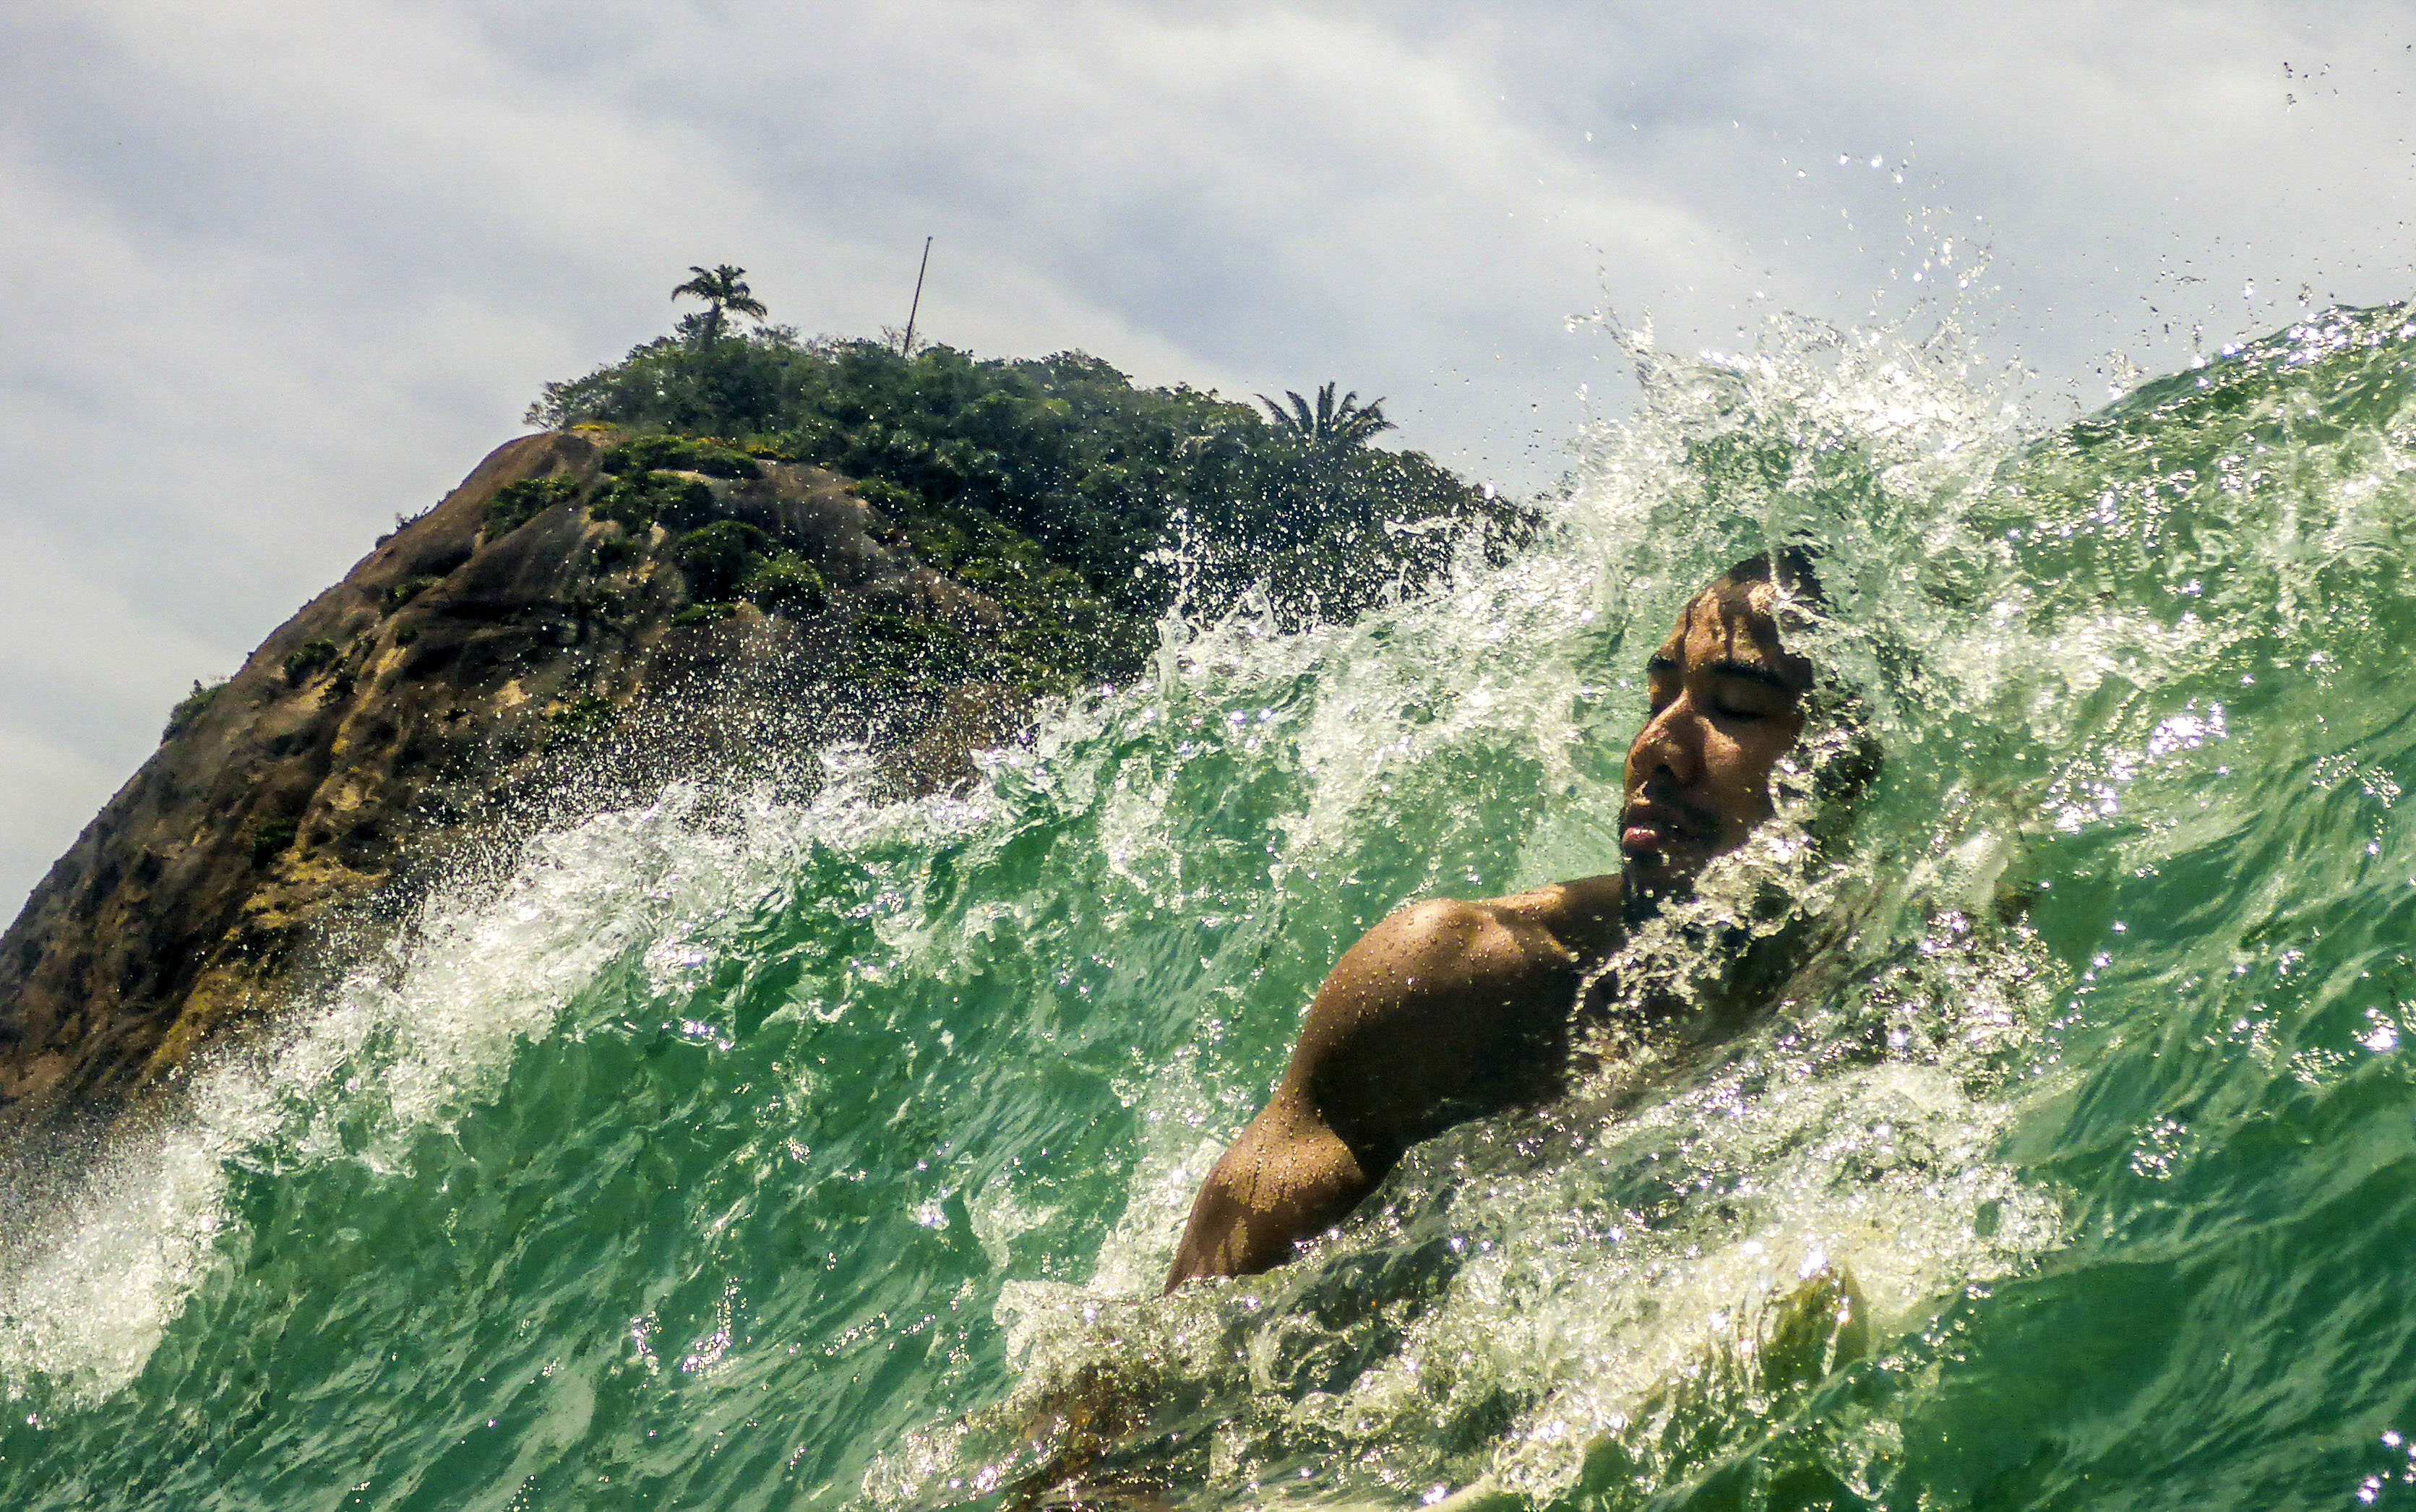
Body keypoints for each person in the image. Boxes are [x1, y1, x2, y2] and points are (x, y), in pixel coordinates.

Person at [1165, 550, 1854, 1289]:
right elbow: (1159, 1355)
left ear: (1850, 760)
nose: (1656, 750)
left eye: (1736, 709)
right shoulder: (1456, 976)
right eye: (1656, 702)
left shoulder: (1883, 977)